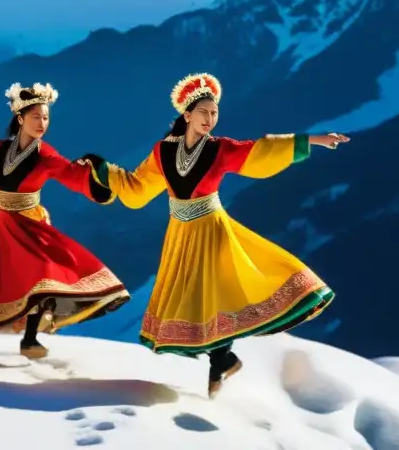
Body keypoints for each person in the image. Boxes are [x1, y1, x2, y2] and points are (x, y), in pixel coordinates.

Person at [87, 72, 348, 396]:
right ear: (187, 115)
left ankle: (220, 363)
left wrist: (314, 140)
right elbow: (139, 187)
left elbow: (260, 150)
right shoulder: (164, 152)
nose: (210, 119)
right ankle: (222, 361)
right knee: (193, 300)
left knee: (213, 295)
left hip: (212, 230)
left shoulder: (219, 149)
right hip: (181, 234)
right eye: (204, 112)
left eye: (214, 113)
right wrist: (104, 171)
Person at [0, 82, 130, 359]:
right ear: (20, 119)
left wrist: (96, 177)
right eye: (36, 116)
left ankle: (29, 339)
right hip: (0, 226)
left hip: (30, 225)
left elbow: (71, 174)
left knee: (43, 276)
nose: (42, 123)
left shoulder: (45, 155)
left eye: (46, 117)